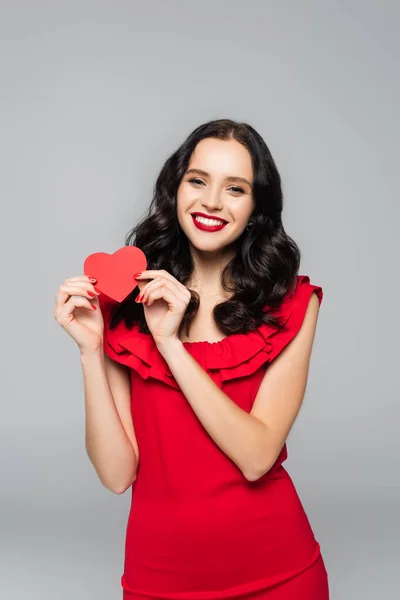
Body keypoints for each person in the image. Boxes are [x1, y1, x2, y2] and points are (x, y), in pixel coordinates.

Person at [54, 119, 329, 599]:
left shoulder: (291, 304)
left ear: (256, 207)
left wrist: (171, 345)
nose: (212, 202)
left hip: (279, 573)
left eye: (236, 189)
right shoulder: (125, 306)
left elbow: (256, 457)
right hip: (160, 578)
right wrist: (90, 352)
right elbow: (117, 475)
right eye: (197, 180)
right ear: (174, 188)